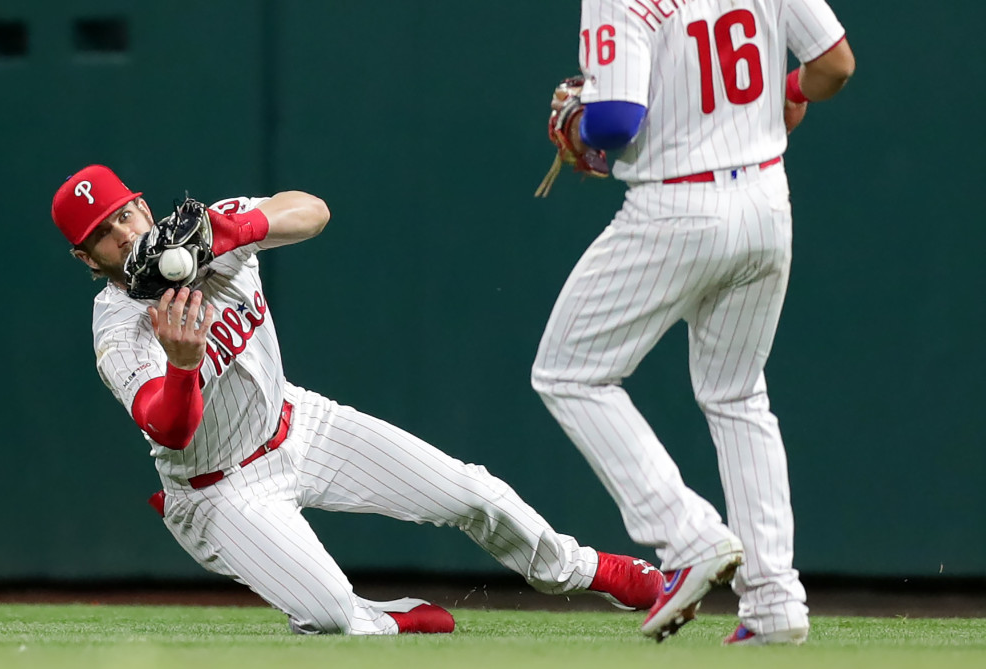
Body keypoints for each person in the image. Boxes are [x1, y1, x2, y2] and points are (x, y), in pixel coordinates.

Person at [50, 164, 664, 635]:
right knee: (333, 617)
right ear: (85, 258)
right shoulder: (120, 330)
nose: (126, 234)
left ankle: (588, 571)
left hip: (297, 424)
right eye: (103, 234)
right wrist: (183, 367)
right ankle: (379, 617)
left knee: (473, 491)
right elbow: (172, 428)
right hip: (218, 490)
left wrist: (235, 230)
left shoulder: (210, 228)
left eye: (126, 213)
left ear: (143, 204)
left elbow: (312, 211)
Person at [530, 0, 855, 646]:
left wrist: (580, 127)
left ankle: (688, 534)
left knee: (567, 373)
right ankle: (776, 601)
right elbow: (834, 66)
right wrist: (783, 90)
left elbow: (618, 122)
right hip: (766, 202)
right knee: (738, 394)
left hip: (675, 208)